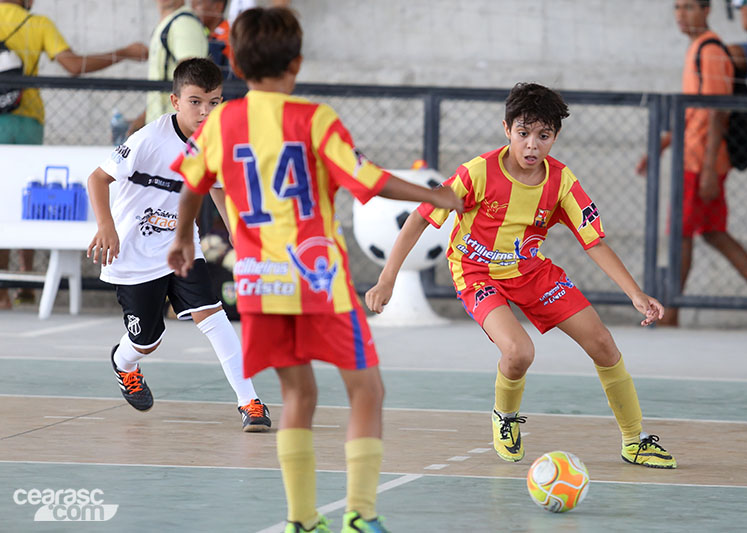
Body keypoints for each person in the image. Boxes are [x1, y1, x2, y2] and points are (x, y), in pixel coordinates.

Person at [167, 8, 462, 533]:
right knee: (366, 391)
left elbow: (192, 185)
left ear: (232, 59)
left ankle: (301, 520)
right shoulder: (313, 119)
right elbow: (367, 179)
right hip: (318, 279)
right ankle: (361, 515)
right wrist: (434, 195)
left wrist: (181, 240)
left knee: (298, 395)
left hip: (260, 283)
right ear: (296, 62)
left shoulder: (223, 122)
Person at [367, 81, 678, 472]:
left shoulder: (562, 182)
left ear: (555, 136)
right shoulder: (477, 173)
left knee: (603, 343)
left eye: (543, 135)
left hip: (531, 272)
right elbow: (419, 217)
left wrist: (635, 293)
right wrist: (387, 278)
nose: (532, 144)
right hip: (477, 273)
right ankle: (505, 417)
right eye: (523, 133)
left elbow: (594, 242)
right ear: (507, 129)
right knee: (519, 353)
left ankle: (634, 441)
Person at [86, 57, 271, 433]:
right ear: (175, 101)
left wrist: (239, 232)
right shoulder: (148, 141)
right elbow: (96, 178)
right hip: (135, 255)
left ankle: (249, 401)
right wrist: (106, 225)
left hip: (182, 245)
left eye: (214, 102)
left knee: (213, 315)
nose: (205, 111)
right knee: (147, 342)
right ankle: (125, 364)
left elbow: (218, 188)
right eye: (195, 101)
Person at [636, 0, 747, 330]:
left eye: (689, 8)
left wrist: (707, 170)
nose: (681, 15)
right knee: (712, 232)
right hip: (694, 158)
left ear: (706, 10)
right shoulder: (697, 49)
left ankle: (671, 313)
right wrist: (662, 145)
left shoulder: (711, 50)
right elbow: (692, 110)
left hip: (701, 162)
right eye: (677, 8)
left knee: (681, 235)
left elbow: (718, 111)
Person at [0, 0, 147, 309]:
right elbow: (72, 66)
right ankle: (25, 275)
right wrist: (123, 53)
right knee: (25, 196)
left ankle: (2, 289)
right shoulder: (36, 24)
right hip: (26, 119)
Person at [127, 0, 208, 136]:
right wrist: (145, 118)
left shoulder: (184, 24)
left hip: (176, 133)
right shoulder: (170, 23)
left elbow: (195, 83)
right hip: (166, 130)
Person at [191, 0, 236, 79]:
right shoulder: (207, 34)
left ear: (218, 6)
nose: (193, 10)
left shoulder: (229, 36)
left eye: (198, 4)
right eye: (192, 5)